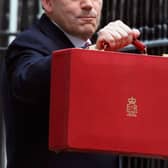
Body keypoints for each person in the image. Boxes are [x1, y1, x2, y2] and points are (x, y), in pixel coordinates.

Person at [5, 0, 140, 168]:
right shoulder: (28, 43)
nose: (88, 5)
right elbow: (26, 81)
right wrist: (90, 55)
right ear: (47, 3)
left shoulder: (93, 48)